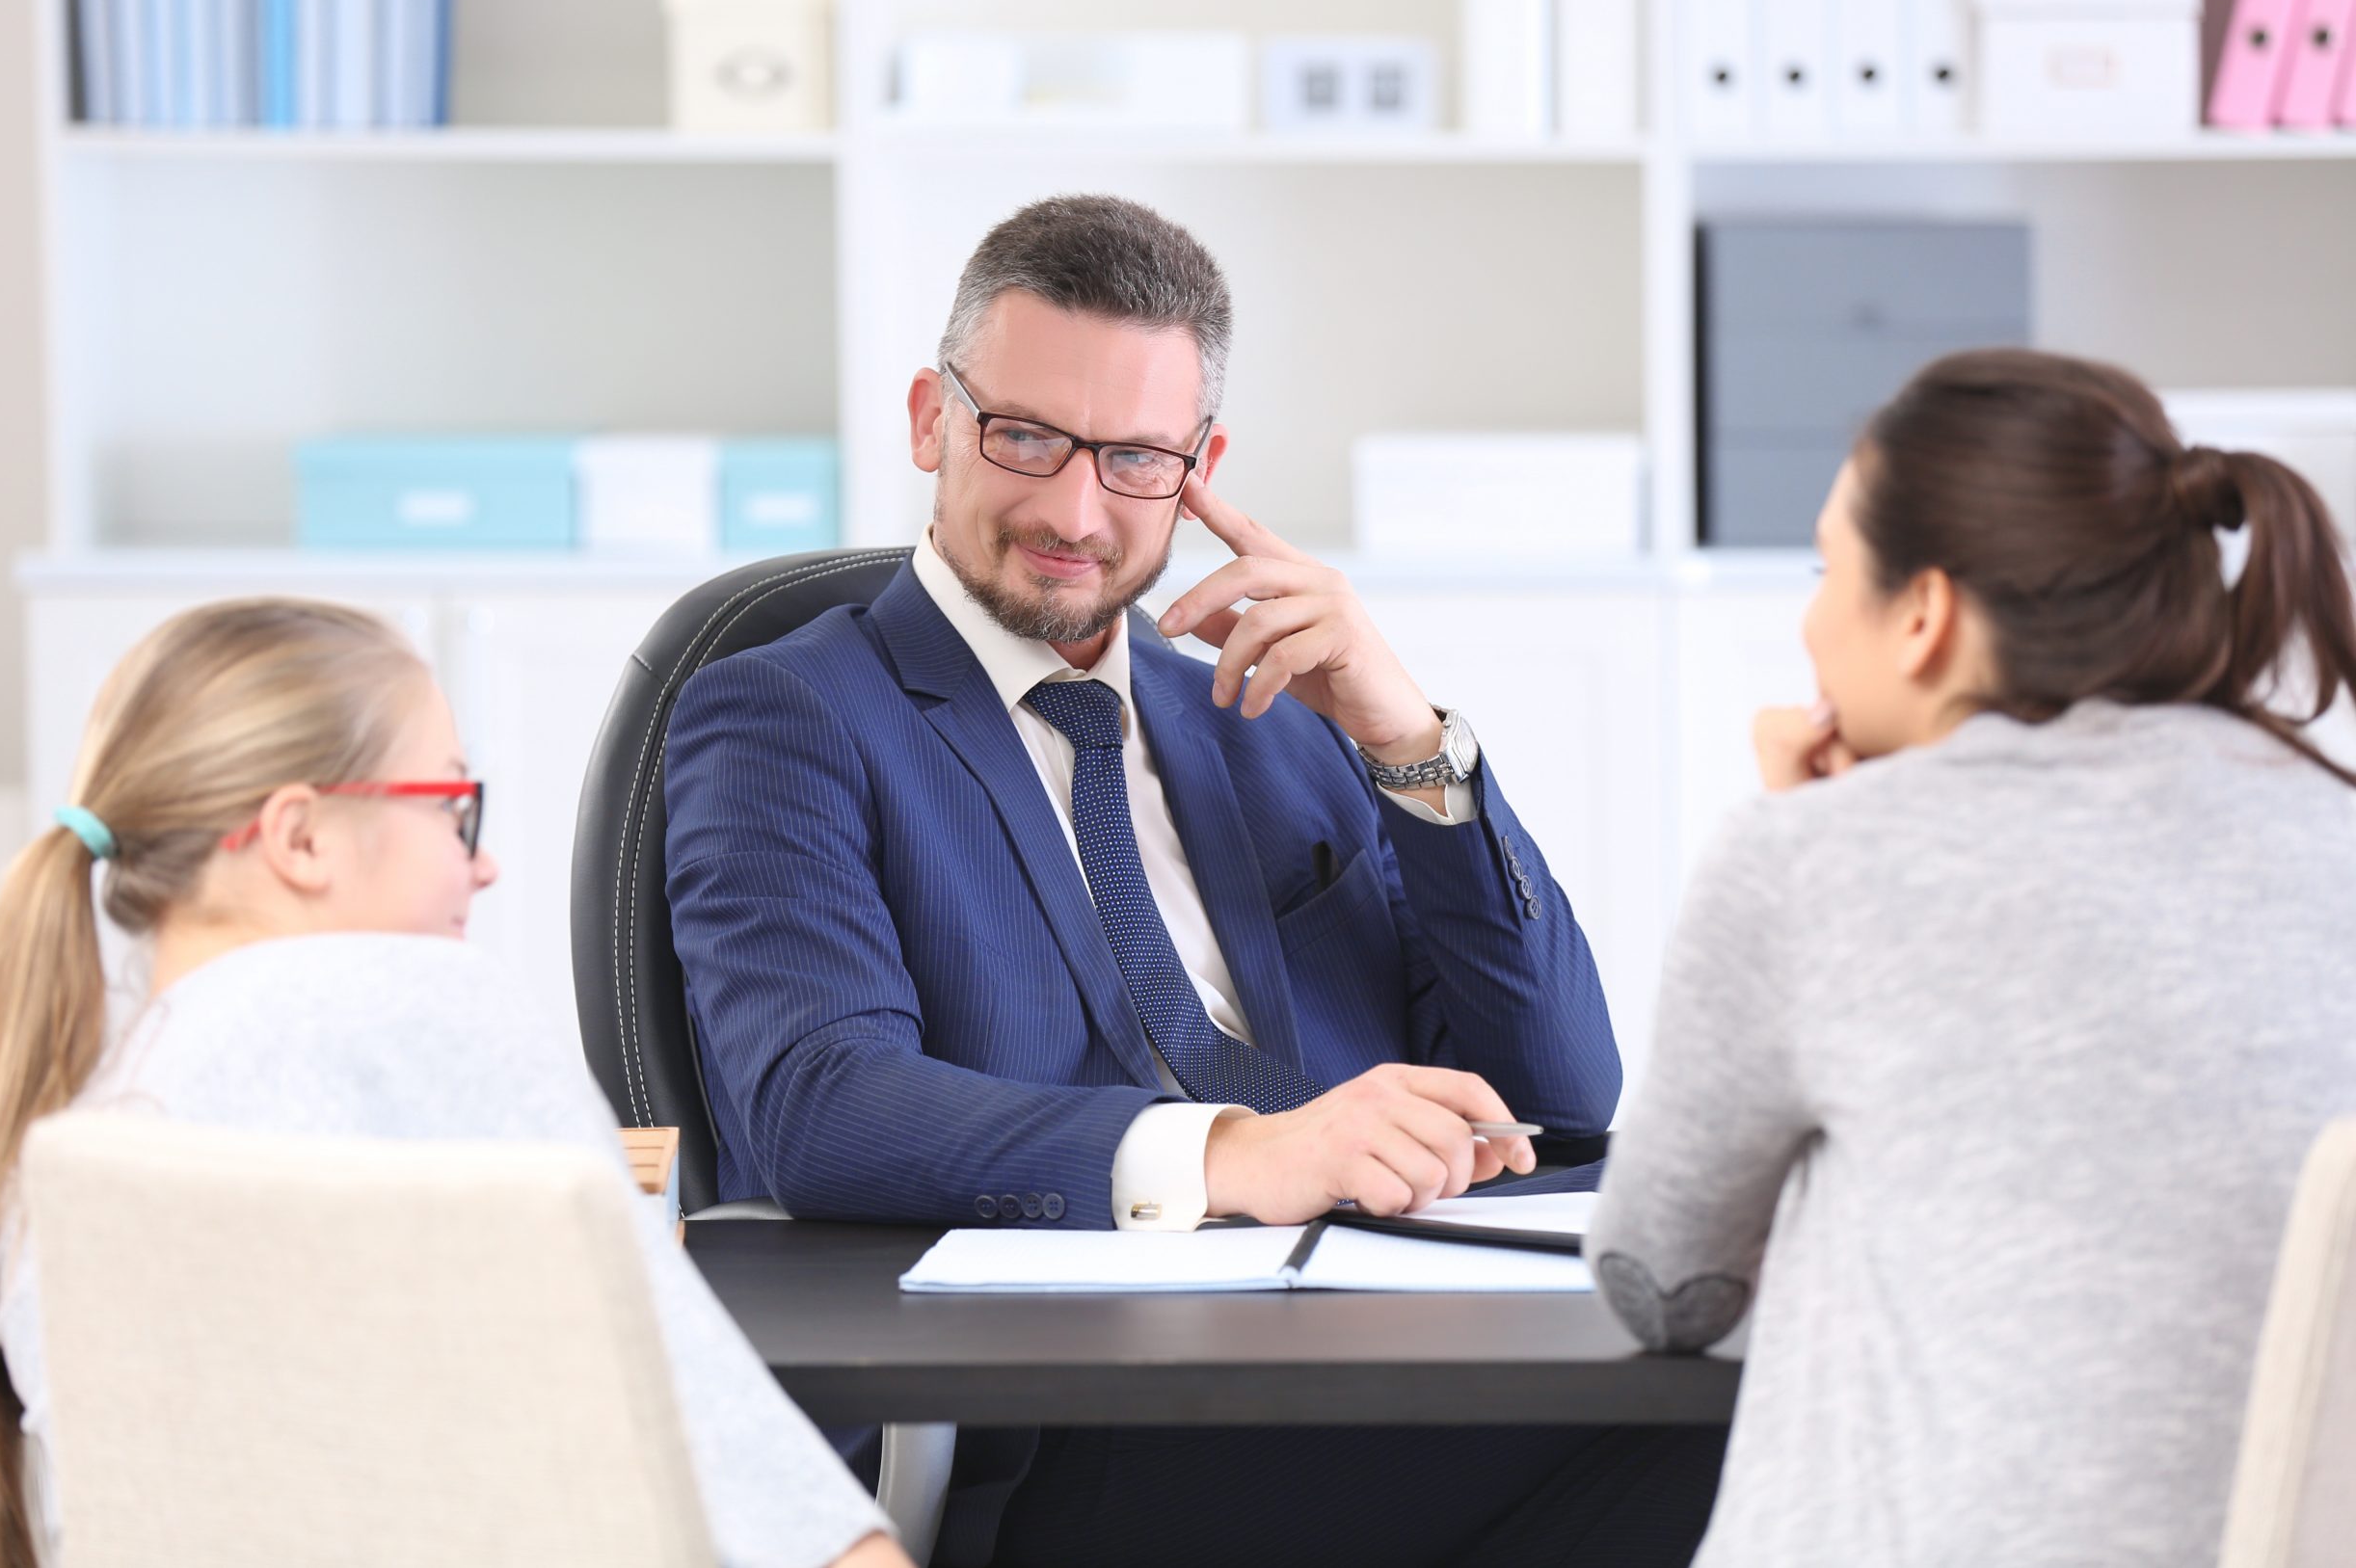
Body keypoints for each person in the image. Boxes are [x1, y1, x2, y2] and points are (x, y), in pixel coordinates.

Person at [662, 195, 1722, 1565]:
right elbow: (816, 1103)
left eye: (1136, 457)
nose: (1073, 508)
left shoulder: (1272, 707)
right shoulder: (787, 713)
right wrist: (1238, 1151)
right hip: (1080, 1406)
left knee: (1745, 1380)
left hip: (1380, 1347)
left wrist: (1411, 744)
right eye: (1025, 435)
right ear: (933, 418)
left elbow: (1569, 1099)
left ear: (1201, 463)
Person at [0, 598, 909, 1568]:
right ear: (300, 838)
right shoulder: (417, 1009)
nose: (485, 864)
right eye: (453, 807)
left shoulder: (64, 1153)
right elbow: (737, 1474)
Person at [1588, 348, 2356, 1566]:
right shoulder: (2335, 823)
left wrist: (1808, 838)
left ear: (1924, 614)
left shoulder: (1810, 861)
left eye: (1826, 568)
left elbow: (1661, 1282)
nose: (1809, 615)